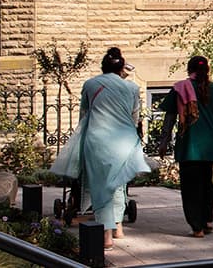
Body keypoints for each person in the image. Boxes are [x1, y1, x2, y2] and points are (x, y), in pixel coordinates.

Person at [51, 47, 149, 245]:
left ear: (103, 66)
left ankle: (105, 236)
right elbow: (135, 117)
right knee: (119, 184)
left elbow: (84, 115)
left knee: (100, 185)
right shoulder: (131, 88)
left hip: (97, 140)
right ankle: (118, 228)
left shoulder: (90, 85)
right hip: (124, 140)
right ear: (121, 68)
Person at [158, 55, 213, 238]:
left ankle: (197, 227)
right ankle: (207, 220)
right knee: (207, 184)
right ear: (208, 70)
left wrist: (163, 142)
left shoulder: (180, 89)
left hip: (189, 147)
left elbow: (169, 118)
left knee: (191, 188)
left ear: (188, 69)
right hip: (210, 147)